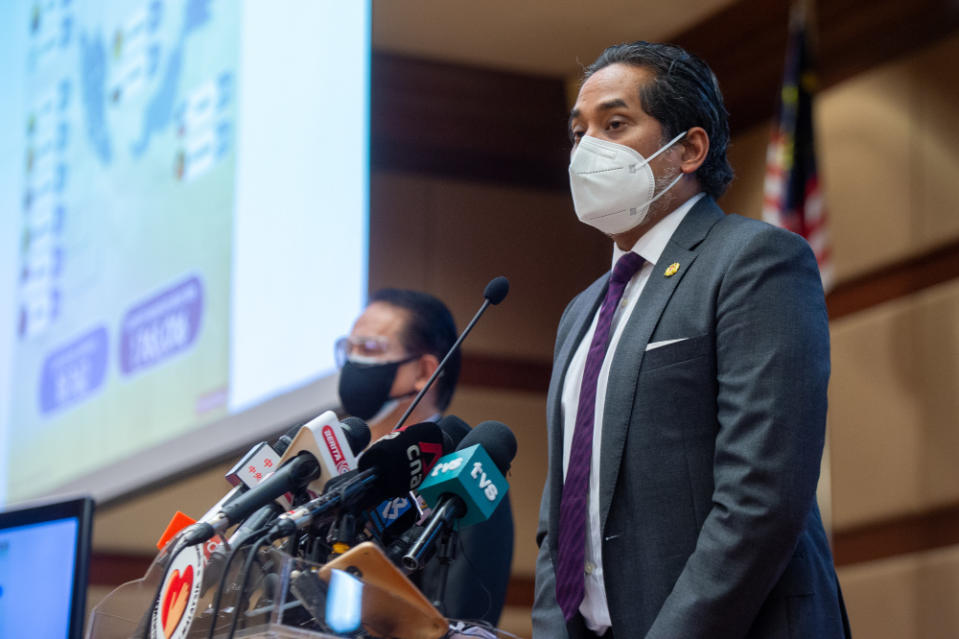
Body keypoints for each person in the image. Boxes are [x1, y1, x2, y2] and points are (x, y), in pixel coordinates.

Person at [532, 42, 851, 638]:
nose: (586, 151)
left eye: (615, 124)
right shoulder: (581, 312)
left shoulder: (753, 261)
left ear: (689, 149)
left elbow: (761, 498)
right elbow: (562, 517)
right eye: (579, 133)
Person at [336, 288, 514, 626]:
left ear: (424, 371)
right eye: (349, 348)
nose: (353, 362)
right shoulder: (343, 470)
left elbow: (465, 611)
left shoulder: (467, 470)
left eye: (369, 349)